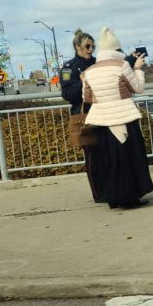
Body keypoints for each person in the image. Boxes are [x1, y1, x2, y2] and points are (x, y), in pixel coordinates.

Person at [81, 27, 153, 209]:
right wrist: (138, 69)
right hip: (125, 116)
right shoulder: (122, 66)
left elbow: (86, 98)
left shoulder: (89, 71)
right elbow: (138, 88)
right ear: (117, 49)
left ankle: (114, 198)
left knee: (110, 160)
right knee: (131, 158)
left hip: (102, 121)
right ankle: (131, 196)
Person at [61, 29, 101, 202]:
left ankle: (112, 188)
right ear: (77, 47)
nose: (91, 49)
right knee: (93, 157)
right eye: (87, 46)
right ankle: (99, 194)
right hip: (86, 115)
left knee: (108, 153)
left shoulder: (99, 63)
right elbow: (67, 93)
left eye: (93, 46)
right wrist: (83, 82)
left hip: (104, 112)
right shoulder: (69, 67)